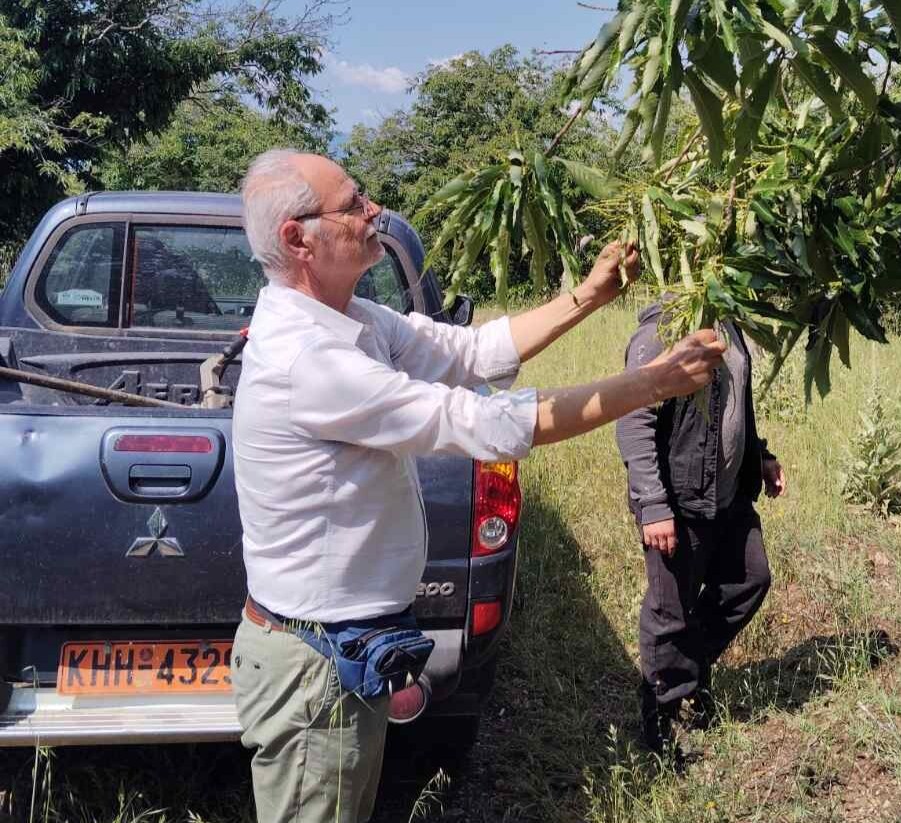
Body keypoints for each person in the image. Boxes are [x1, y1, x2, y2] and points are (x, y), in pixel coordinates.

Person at [230, 149, 726, 823]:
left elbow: (469, 353)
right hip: (316, 666)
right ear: (298, 239)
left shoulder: (357, 321)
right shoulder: (309, 361)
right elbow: (484, 421)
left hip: (345, 649)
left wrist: (588, 295)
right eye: (353, 204)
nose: (375, 210)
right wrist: (652, 383)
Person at [616, 302, 787, 754]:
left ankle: (687, 673)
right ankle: (661, 717)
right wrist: (654, 506)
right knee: (670, 611)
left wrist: (761, 455)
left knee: (750, 579)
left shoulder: (728, 321)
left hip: (727, 494)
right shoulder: (662, 331)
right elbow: (633, 420)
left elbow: (736, 401)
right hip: (679, 499)